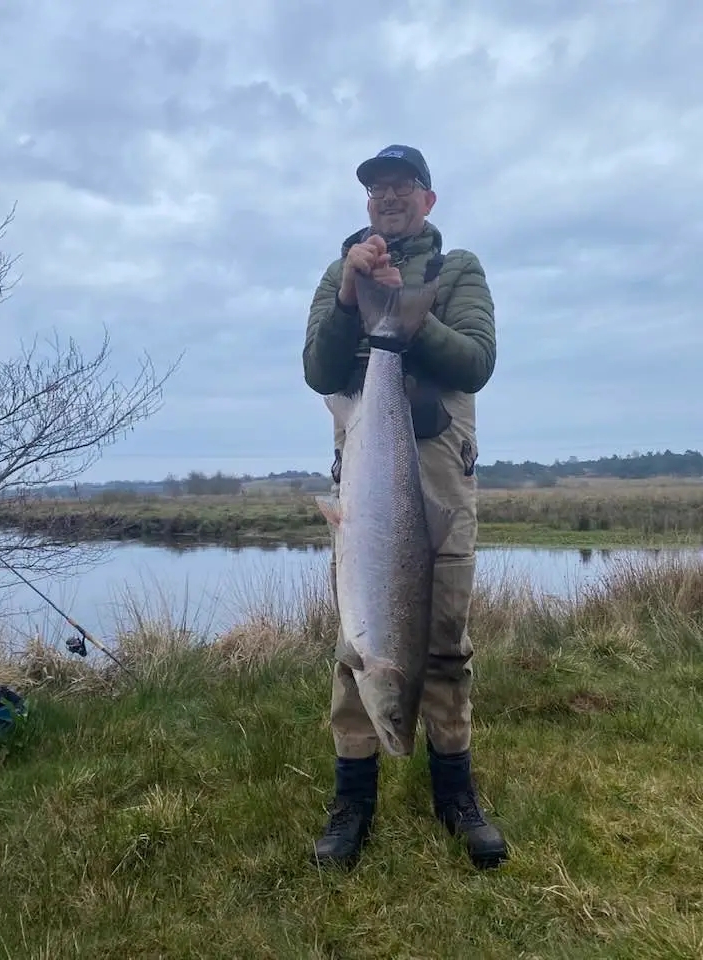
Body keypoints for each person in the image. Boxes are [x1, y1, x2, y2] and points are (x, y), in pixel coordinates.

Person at [302, 145, 508, 871]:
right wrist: (357, 300)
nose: (388, 197)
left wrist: (405, 320)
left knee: (444, 637)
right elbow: (319, 371)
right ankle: (353, 800)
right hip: (366, 482)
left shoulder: (459, 271)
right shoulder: (339, 274)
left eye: (402, 187)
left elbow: (477, 361)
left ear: (429, 200)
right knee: (358, 639)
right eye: (377, 189)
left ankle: (456, 794)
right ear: (367, 204)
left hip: (441, 478)